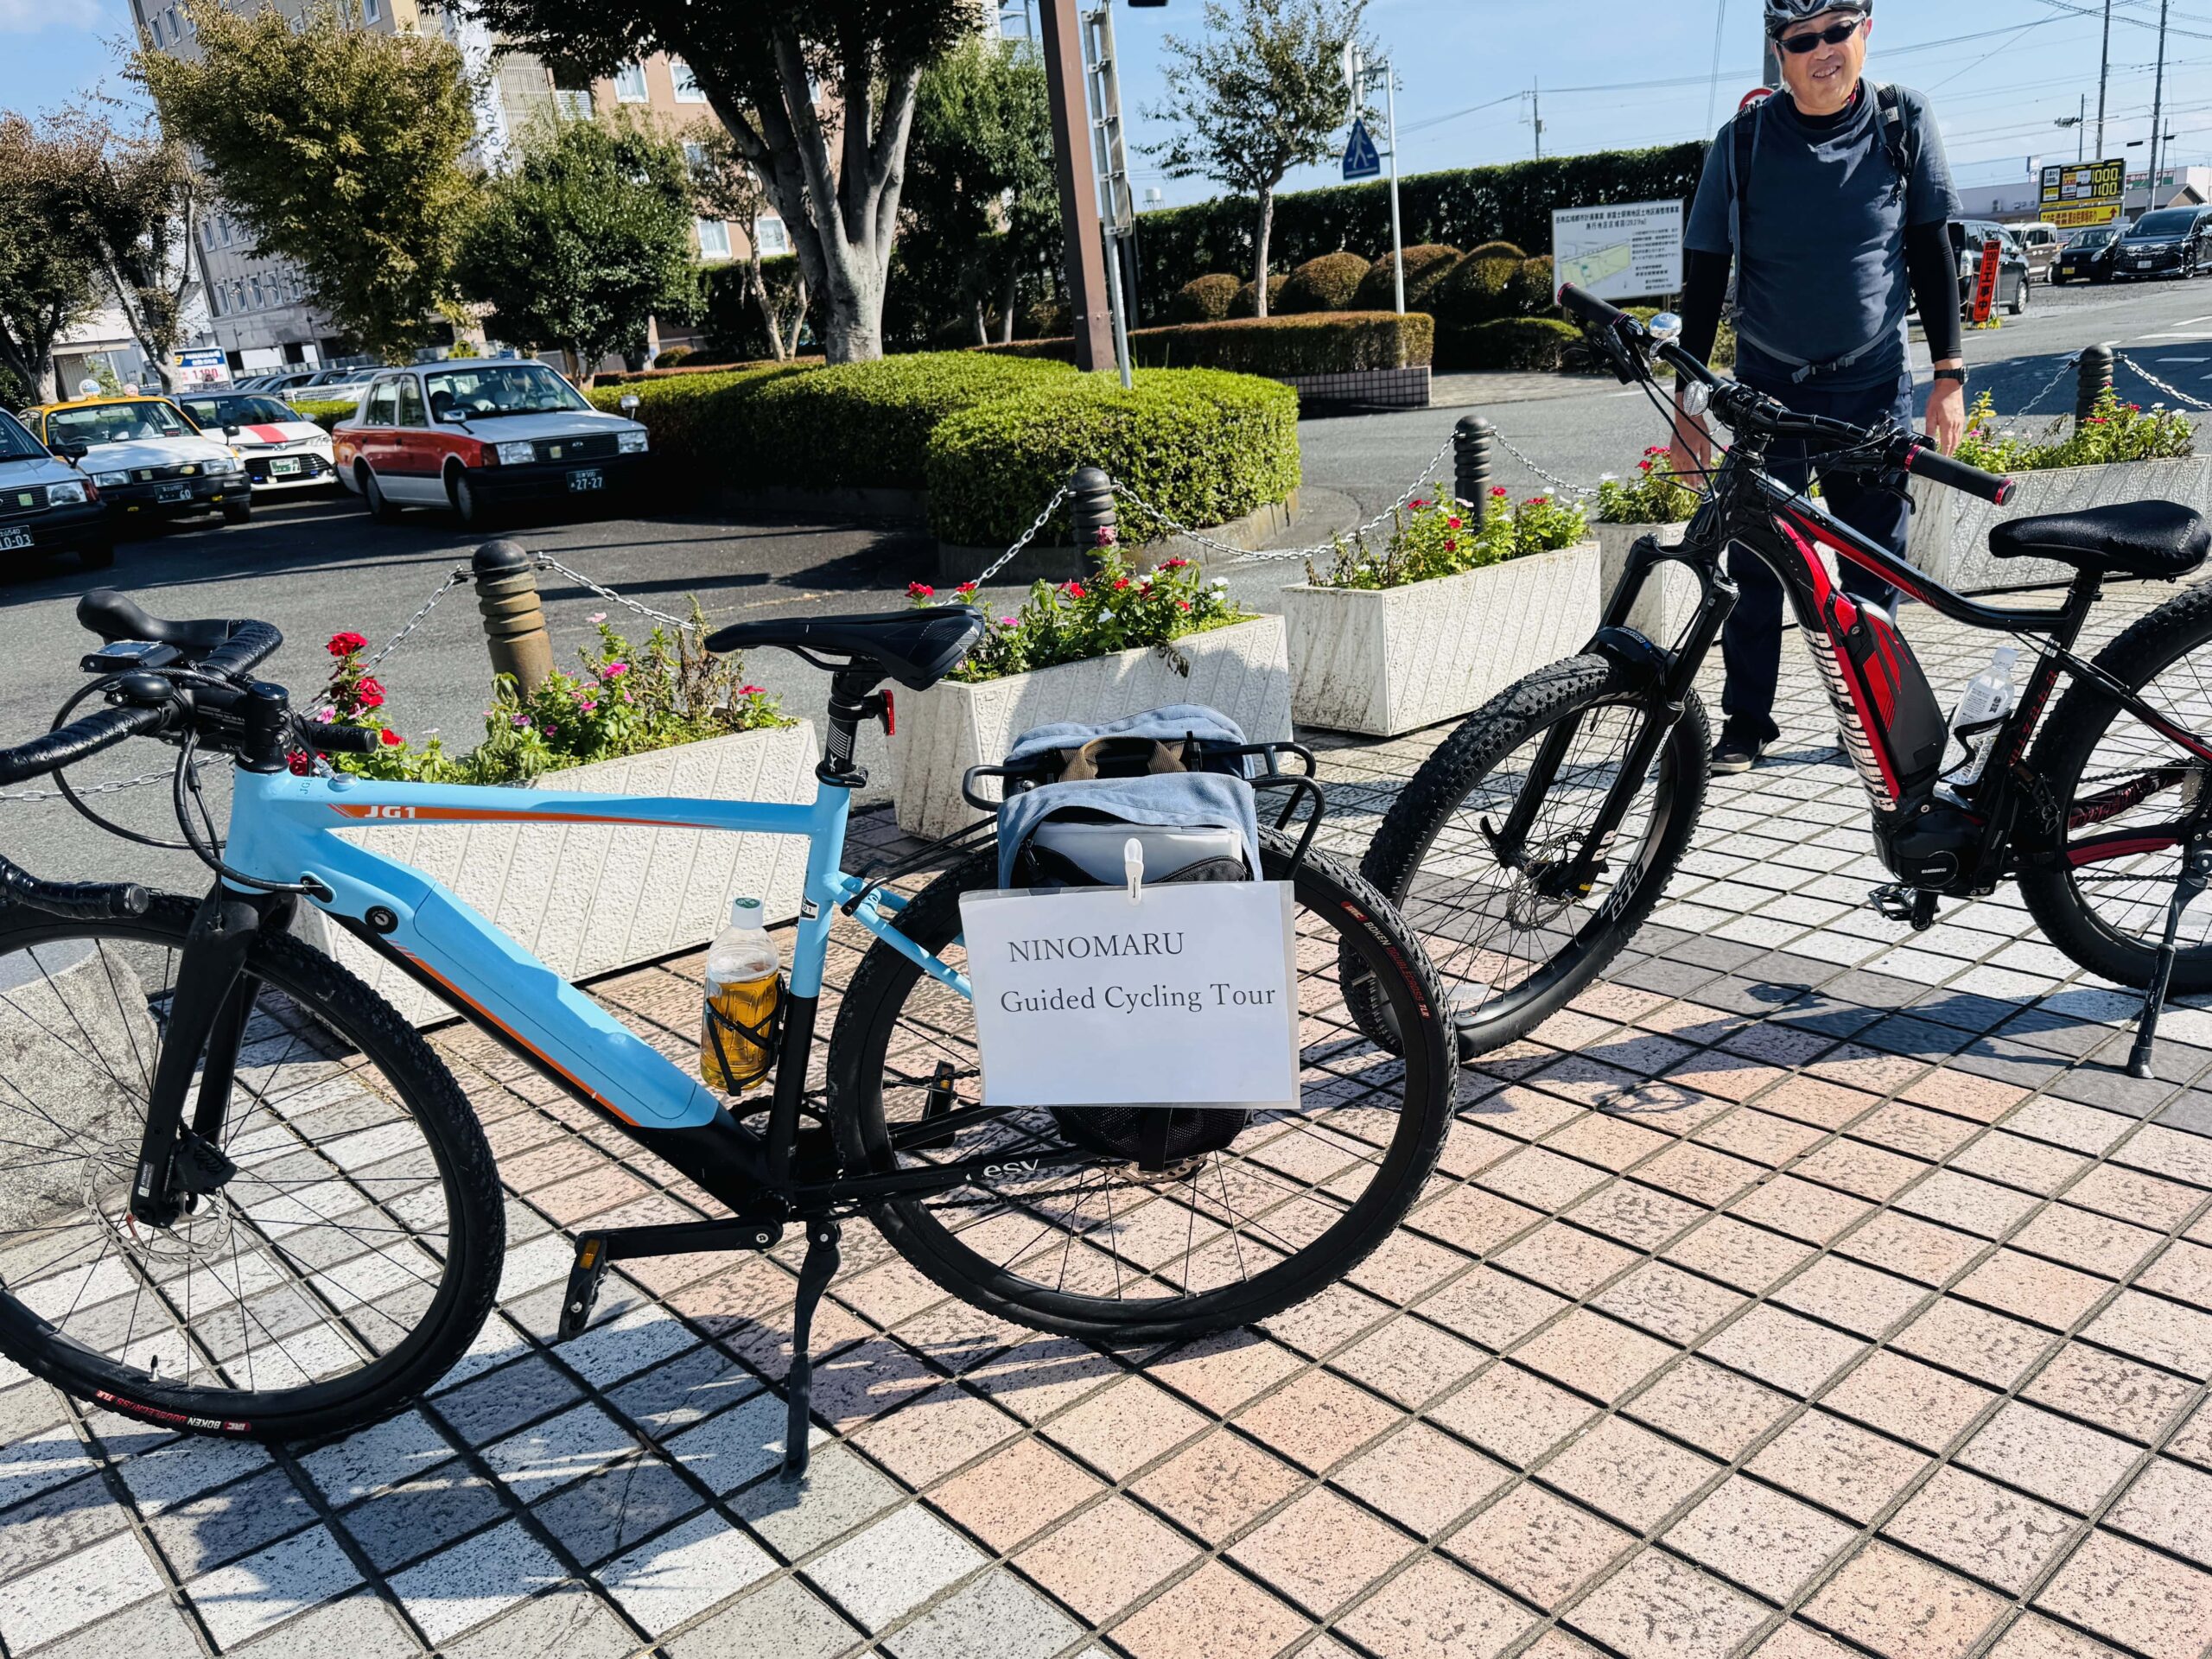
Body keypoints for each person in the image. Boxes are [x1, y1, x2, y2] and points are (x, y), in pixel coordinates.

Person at [1673, 0, 1967, 772]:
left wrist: (1949, 375)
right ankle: (1746, 723)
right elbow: (1704, 275)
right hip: (1770, 391)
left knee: (1873, 565)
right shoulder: (1740, 146)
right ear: (1780, 52)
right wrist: (1690, 406)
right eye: (1803, 40)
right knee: (1760, 561)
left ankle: (1872, 720)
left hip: (1872, 388)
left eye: (1839, 30)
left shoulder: (1903, 122)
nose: (1823, 50)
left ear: (1866, 32)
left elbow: (1931, 247)